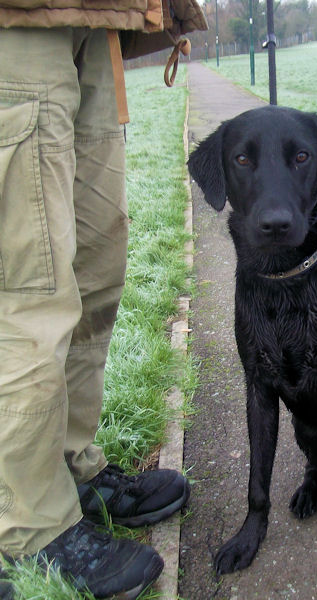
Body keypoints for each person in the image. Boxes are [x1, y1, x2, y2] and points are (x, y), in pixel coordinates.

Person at [0, 2, 207, 598]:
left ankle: (67, 466)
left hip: (95, 21)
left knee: (95, 273)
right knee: (28, 292)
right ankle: (28, 523)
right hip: (16, 26)